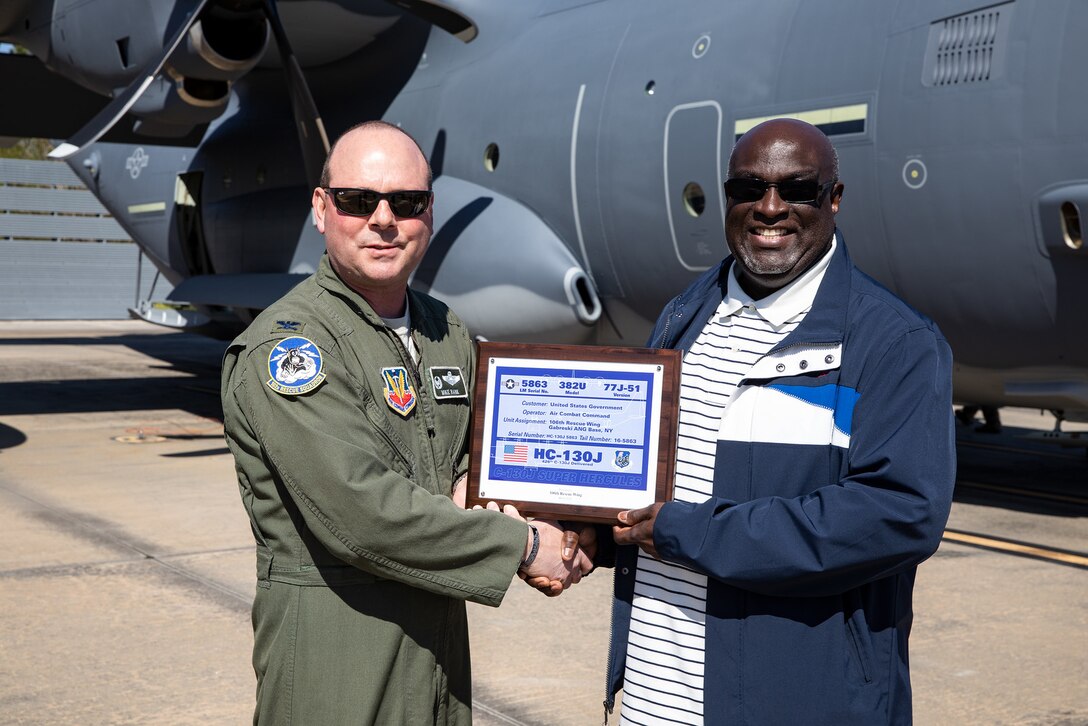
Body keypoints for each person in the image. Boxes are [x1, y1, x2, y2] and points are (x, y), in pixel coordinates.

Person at [221, 120, 590, 725]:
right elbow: (361, 512)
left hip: (437, 649)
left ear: (430, 214)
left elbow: (468, 461)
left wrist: (548, 510)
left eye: (407, 202)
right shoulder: (291, 350)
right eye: (358, 201)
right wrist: (523, 546)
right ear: (321, 208)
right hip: (337, 656)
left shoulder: (444, 331)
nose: (384, 219)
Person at [597, 118, 955, 724]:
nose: (770, 208)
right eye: (748, 189)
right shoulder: (685, 318)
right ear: (726, 197)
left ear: (833, 199)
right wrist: (589, 533)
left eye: (797, 190)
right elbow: (654, 496)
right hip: (656, 701)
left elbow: (898, 514)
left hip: (795, 701)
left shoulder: (892, 342)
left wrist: (694, 533)